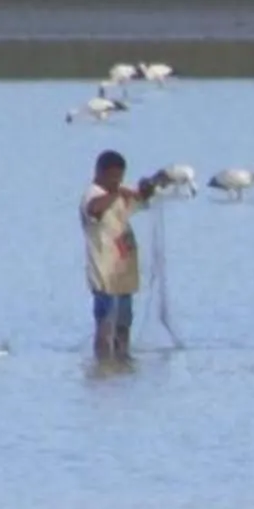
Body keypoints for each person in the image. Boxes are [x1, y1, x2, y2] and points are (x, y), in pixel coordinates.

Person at [81, 149, 163, 358]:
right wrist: (118, 192)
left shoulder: (118, 195)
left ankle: (122, 361)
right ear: (99, 172)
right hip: (103, 274)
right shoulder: (93, 195)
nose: (116, 181)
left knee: (123, 324)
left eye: (120, 177)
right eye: (112, 177)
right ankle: (102, 362)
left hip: (123, 273)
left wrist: (148, 187)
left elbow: (140, 199)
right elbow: (94, 209)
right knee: (105, 322)